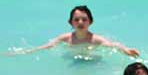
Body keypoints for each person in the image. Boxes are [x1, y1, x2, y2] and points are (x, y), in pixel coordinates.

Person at [7, 5, 139, 57]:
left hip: (93, 60)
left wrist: (126, 50)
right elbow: (47, 46)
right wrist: (26, 51)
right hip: (74, 59)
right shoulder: (65, 38)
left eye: (84, 19)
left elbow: (113, 45)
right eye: (76, 20)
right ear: (70, 22)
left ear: (90, 22)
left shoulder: (95, 39)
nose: (80, 22)